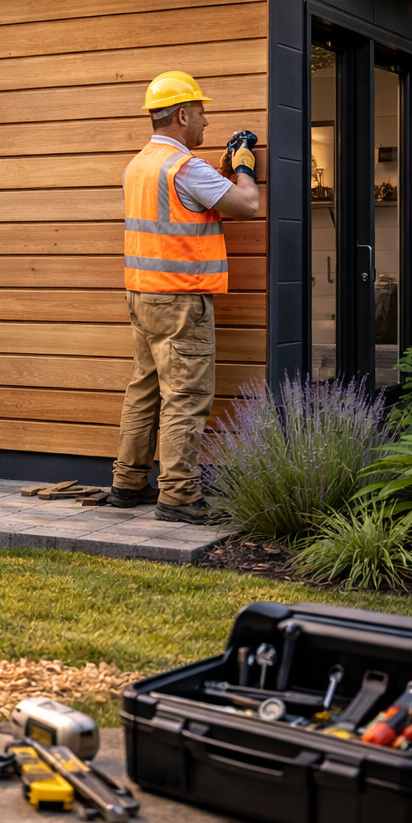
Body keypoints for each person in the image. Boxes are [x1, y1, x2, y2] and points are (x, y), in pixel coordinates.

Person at [107, 72, 260, 523]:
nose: (206, 122)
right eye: (201, 113)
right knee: (185, 396)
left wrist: (222, 169)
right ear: (181, 115)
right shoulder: (185, 167)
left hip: (143, 295)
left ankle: (127, 483)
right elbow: (246, 205)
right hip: (180, 300)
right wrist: (245, 165)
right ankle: (178, 496)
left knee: (144, 390)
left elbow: (188, 202)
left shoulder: (139, 165)